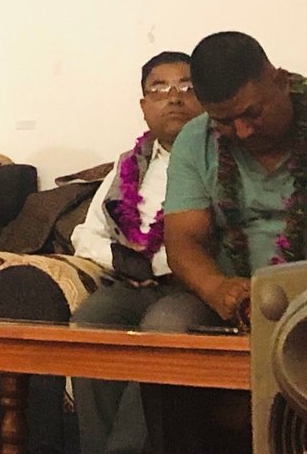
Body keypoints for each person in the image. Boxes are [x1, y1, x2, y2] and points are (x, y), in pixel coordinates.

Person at [142, 31, 301, 454]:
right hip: (236, 299)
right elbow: (184, 242)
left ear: (280, 80)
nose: (242, 132)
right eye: (225, 122)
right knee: (165, 325)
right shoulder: (196, 140)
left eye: (252, 113)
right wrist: (217, 288)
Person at [69, 51, 199, 454]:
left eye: (186, 86)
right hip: (133, 283)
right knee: (92, 319)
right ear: (144, 106)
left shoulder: (219, 158)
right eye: (159, 88)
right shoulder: (129, 164)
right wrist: (123, 260)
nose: (174, 97)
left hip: (193, 287)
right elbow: (85, 234)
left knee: (163, 326)